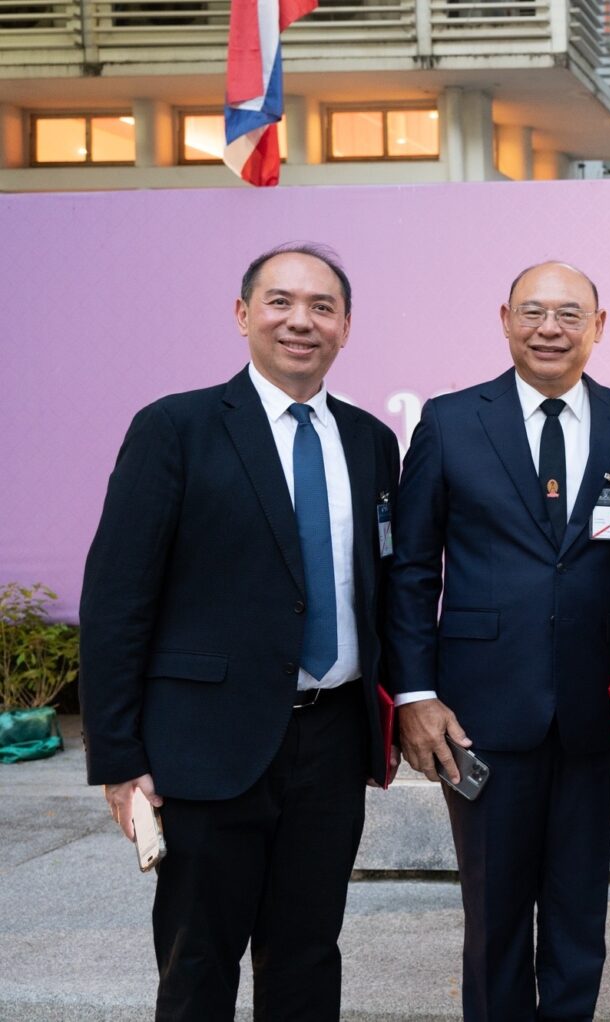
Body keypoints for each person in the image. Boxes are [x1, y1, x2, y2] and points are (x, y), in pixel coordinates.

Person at [79, 242, 400, 1021]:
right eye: (281, 302)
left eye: (322, 307)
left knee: (308, 954)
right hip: (206, 748)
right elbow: (117, 601)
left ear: (347, 326)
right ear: (243, 314)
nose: (301, 321)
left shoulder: (370, 442)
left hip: (330, 744)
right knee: (198, 961)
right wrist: (120, 763)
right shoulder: (176, 428)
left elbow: (381, 589)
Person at [387, 261, 610, 1022]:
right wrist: (414, 693)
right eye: (535, 312)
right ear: (506, 318)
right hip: (479, 712)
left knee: (581, 913)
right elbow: (412, 569)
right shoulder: (450, 422)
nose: (552, 328)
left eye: (571, 314)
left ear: (600, 326)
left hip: (592, 710)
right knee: (496, 914)